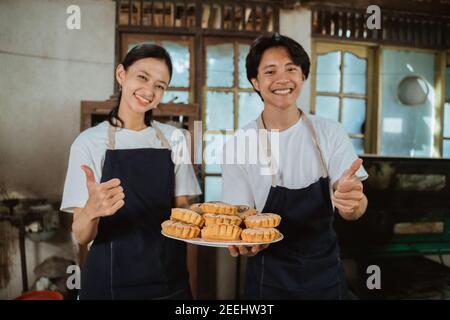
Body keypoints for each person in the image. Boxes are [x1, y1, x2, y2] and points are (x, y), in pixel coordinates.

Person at [221, 33, 369, 299]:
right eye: (270, 71)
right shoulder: (238, 144)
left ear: (303, 76)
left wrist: (354, 202)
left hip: (325, 278)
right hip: (269, 280)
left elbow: (354, 209)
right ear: (255, 82)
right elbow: (240, 217)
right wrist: (244, 240)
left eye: (291, 69)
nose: (282, 79)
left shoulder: (330, 132)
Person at [60, 44, 201, 300]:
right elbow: (81, 235)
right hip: (109, 283)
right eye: (142, 77)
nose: (149, 91)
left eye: (160, 85)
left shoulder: (174, 139)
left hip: (168, 280)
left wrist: (219, 222)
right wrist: (92, 210)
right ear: (121, 74)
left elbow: (184, 211)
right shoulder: (89, 142)